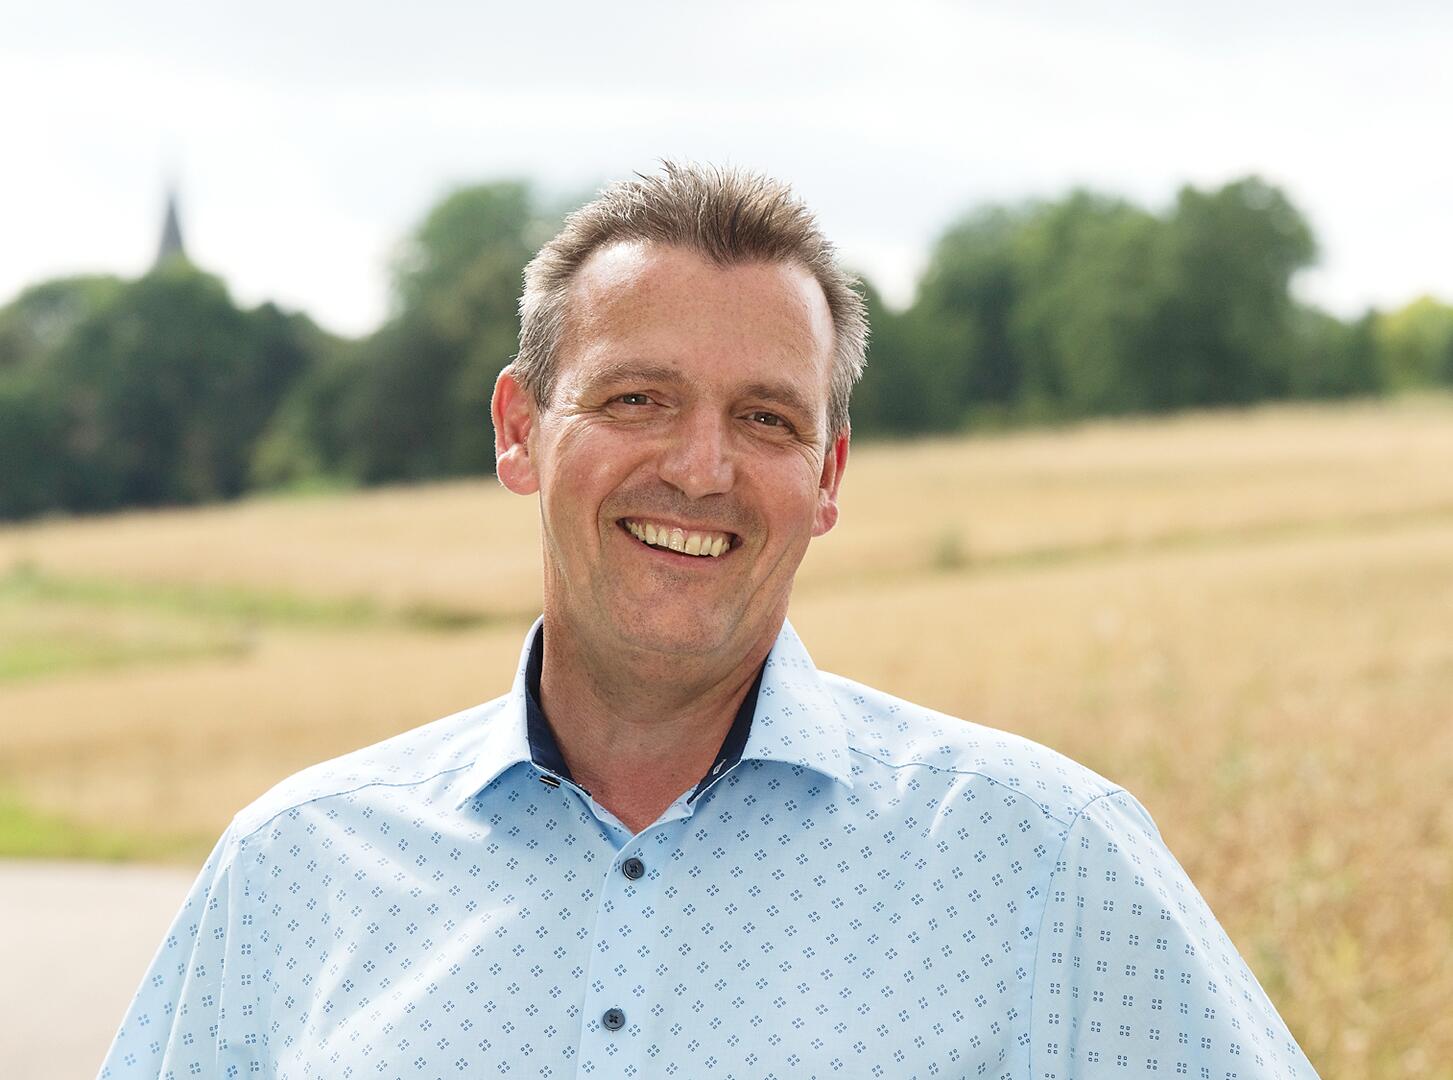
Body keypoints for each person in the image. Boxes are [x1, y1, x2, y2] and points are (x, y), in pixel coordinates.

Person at [99, 163, 1318, 1079]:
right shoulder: (294, 870)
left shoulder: (1044, 859)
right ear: (520, 430)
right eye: (638, 399)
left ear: (829, 475)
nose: (700, 469)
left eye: (766, 420)